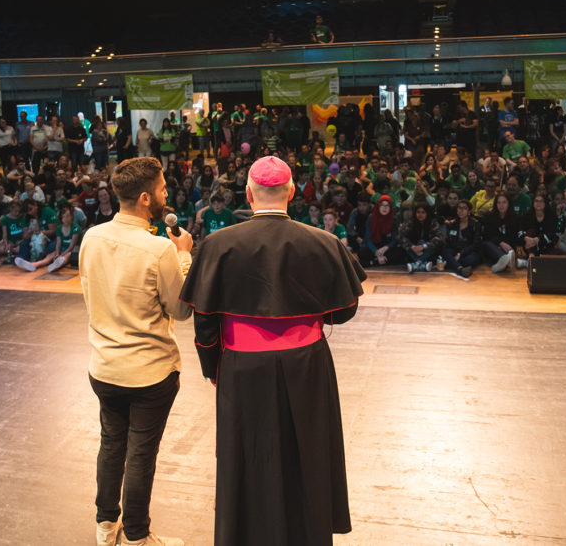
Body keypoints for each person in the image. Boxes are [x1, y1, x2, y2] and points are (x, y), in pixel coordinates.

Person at [180, 155, 364, 546]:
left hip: (242, 368)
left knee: (248, 456)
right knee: (308, 453)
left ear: (248, 194)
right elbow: (345, 310)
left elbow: (205, 322)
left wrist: (214, 368)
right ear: (292, 192)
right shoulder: (325, 242)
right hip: (308, 364)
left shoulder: (217, 244)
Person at [79, 156, 194, 546]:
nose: (167, 195)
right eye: (163, 190)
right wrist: (184, 255)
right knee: (141, 455)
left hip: (104, 368)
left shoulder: (91, 237)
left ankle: (105, 526)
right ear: (146, 198)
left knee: (111, 445)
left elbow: (88, 294)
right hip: (149, 374)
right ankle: (138, 537)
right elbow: (181, 309)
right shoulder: (160, 249)